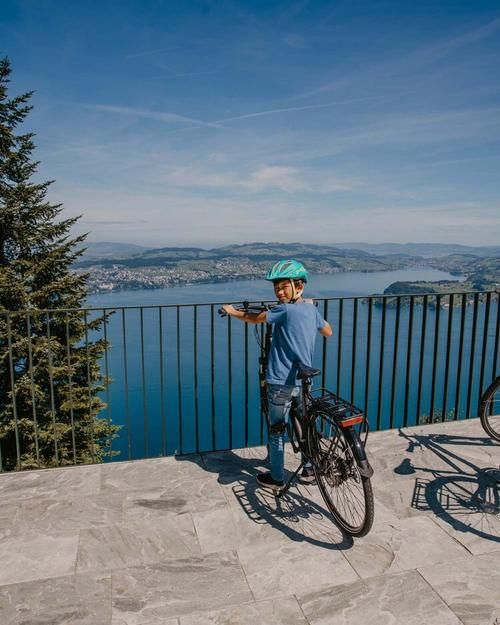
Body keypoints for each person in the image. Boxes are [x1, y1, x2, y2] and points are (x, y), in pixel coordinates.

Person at [222, 259, 332, 492]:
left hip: (280, 381)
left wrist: (232, 311)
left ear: (299, 286)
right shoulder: (310, 309)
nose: (279, 292)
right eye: (276, 288)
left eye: (284, 287)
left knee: (277, 429)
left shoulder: (284, 310)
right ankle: (309, 468)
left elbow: (256, 318)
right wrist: (310, 312)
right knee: (304, 423)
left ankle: (277, 477)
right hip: (303, 381)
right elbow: (328, 331)